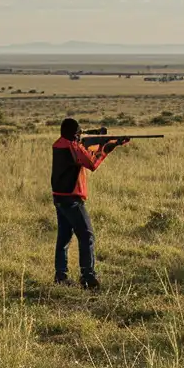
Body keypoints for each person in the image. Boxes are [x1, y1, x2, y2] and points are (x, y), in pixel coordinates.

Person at [51, 118, 123, 291]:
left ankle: (61, 277)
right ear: (75, 134)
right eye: (79, 133)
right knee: (87, 236)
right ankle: (88, 277)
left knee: (64, 239)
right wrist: (107, 148)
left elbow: (84, 152)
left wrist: (101, 144)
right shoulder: (73, 147)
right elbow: (92, 163)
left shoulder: (60, 144)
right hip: (72, 199)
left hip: (60, 197)